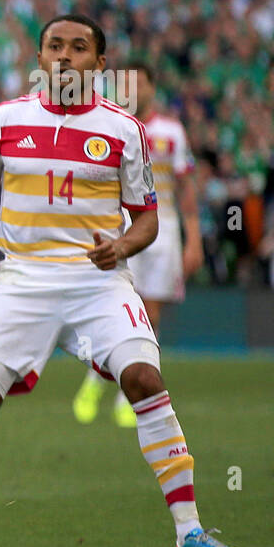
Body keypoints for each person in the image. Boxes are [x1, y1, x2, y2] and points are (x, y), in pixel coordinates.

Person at [0, 14, 240, 547]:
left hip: (97, 280)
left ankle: (189, 532)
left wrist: (122, 247)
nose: (65, 56)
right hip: (23, 279)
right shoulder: (6, 119)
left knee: (143, 378)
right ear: (40, 59)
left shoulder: (123, 129)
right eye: (54, 46)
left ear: (100, 64)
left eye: (79, 48)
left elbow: (146, 220)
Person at [72, 62, 202, 427]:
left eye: (139, 83)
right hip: (121, 224)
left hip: (165, 226)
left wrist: (193, 239)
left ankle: (128, 393)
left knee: (151, 313)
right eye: (126, 83)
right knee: (114, 306)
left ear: (151, 88)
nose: (133, 90)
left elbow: (186, 188)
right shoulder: (109, 127)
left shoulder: (171, 132)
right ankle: (98, 377)